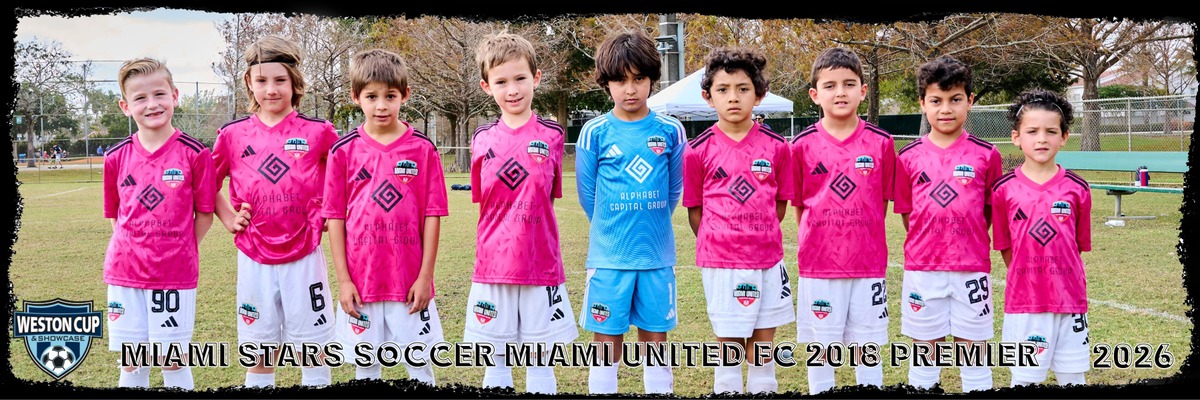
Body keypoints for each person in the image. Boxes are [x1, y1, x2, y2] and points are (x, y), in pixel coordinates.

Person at [211, 35, 338, 388]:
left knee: (313, 351)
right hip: (254, 256)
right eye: (262, 80)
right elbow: (205, 184)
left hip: (305, 255)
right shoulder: (232, 134)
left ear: (294, 82)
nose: (271, 89)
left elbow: (345, 176)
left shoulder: (319, 131)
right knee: (260, 352)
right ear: (249, 82)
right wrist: (228, 217)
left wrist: (328, 212)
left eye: (280, 79)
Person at [323, 48, 447, 384]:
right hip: (361, 284)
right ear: (355, 97)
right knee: (366, 369)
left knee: (420, 367)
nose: (381, 105)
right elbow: (335, 219)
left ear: (405, 95)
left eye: (390, 96)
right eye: (371, 96)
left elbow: (433, 215)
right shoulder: (342, 151)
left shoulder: (423, 149)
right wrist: (344, 281)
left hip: (409, 283)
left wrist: (425, 277)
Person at [464, 32, 579, 394]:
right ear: (487, 86)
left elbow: (547, 200)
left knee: (540, 358)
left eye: (520, 78)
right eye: (501, 82)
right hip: (492, 266)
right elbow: (486, 204)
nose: (512, 90)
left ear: (536, 78)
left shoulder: (553, 136)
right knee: (494, 359)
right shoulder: (481, 139)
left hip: (540, 263)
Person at [575, 29, 685, 395]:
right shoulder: (594, 132)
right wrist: (614, 230)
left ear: (652, 79)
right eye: (620, 81)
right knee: (606, 345)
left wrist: (649, 220)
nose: (630, 89)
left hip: (655, 257)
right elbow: (589, 197)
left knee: (655, 342)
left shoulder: (671, 130)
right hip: (609, 259)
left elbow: (673, 191)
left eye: (639, 79)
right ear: (606, 83)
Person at [683, 47, 795, 394]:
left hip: (767, 259)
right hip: (721, 263)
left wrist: (755, 234)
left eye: (743, 89)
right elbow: (695, 212)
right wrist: (723, 239)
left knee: (762, 348)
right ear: (708, 97)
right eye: (723, 89)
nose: (733, 97)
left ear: (759, 95)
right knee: (729, 349)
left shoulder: (778, 147)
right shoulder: (696, 150)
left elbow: (779, 206)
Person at [102, 58, 215, 390]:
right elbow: (116, 216)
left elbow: (205, 214)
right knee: (133, 362)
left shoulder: (196, 153)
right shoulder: (115, 157)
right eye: (140, 98)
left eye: (159, 94)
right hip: (125, 274)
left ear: (175, 96)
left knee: (172, 359)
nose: (152, 104)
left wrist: (180, 249)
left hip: (175, 274)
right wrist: (134, 251)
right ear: (125, 106)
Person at [894, 55, 1003, 392]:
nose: (945, 109)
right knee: (925, 355)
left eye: (955, 99)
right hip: (923, 269)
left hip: (971, 268)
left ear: (970, 101)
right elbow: (908, 214)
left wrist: (965, 238)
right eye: (936, 101)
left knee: (974, 355)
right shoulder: (908, 156)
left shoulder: (987, 154)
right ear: (922, 104)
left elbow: (988, 211)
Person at [790, 47, 895, 394]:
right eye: (830, 85)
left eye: (849, 84)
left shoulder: (882, 143)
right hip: (819, 266)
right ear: (815, 95)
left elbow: (880, 203)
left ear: (863, 91)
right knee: (822, 352)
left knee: (868, 350)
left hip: (868, 265)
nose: (840, 92)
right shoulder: (801, 146)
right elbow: (800, 207)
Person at [992, 88, 1091, 387]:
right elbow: (1005, 247)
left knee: (1073, 378)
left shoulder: (1078, 188)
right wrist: (1031, 276)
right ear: (1016, 137)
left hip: (1070, 300)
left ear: (1064, 137)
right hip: (1024, 303)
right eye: (1032, 131)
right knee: (1024, 379)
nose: (1041, 139)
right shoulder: (1003, 190)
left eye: (1051, 131)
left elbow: (1076, 246)